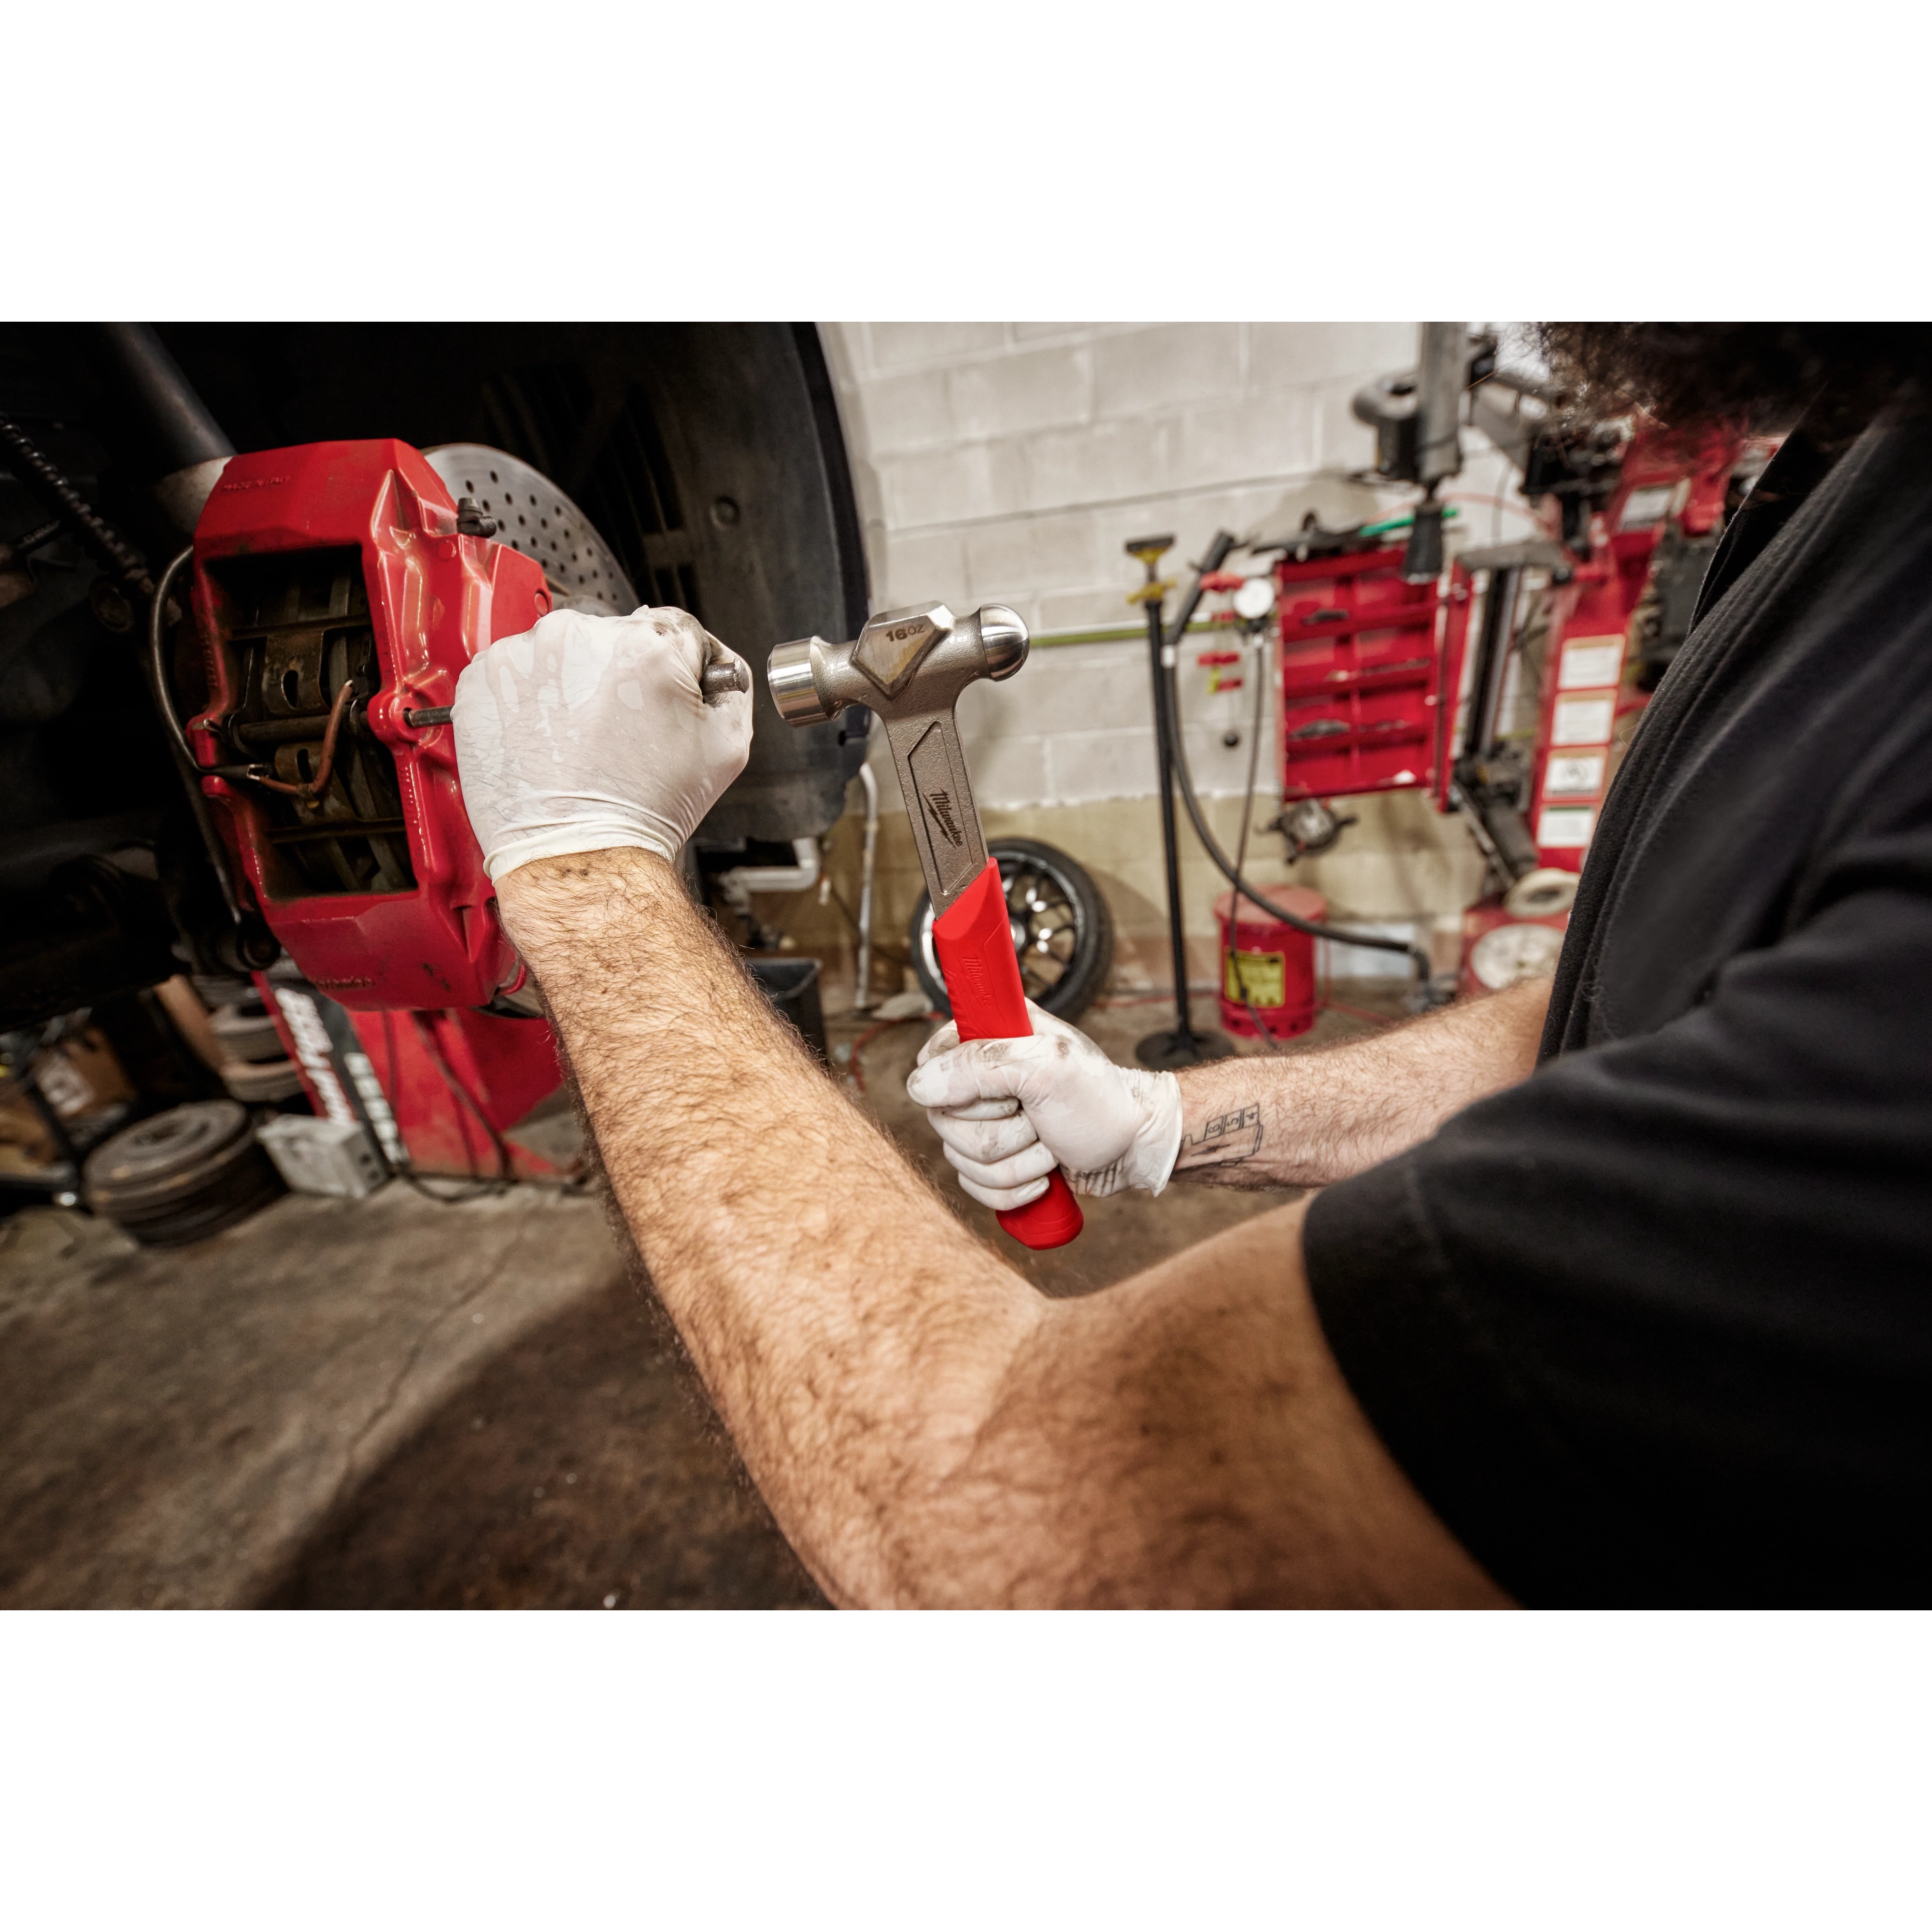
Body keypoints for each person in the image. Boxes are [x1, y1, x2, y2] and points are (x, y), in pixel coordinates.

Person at [453, 323, 1932, 1608]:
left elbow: (991, 1526)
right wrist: (1181, 1124)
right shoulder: (1875, 474)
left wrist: (582, 870)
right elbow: (1641, 1009)